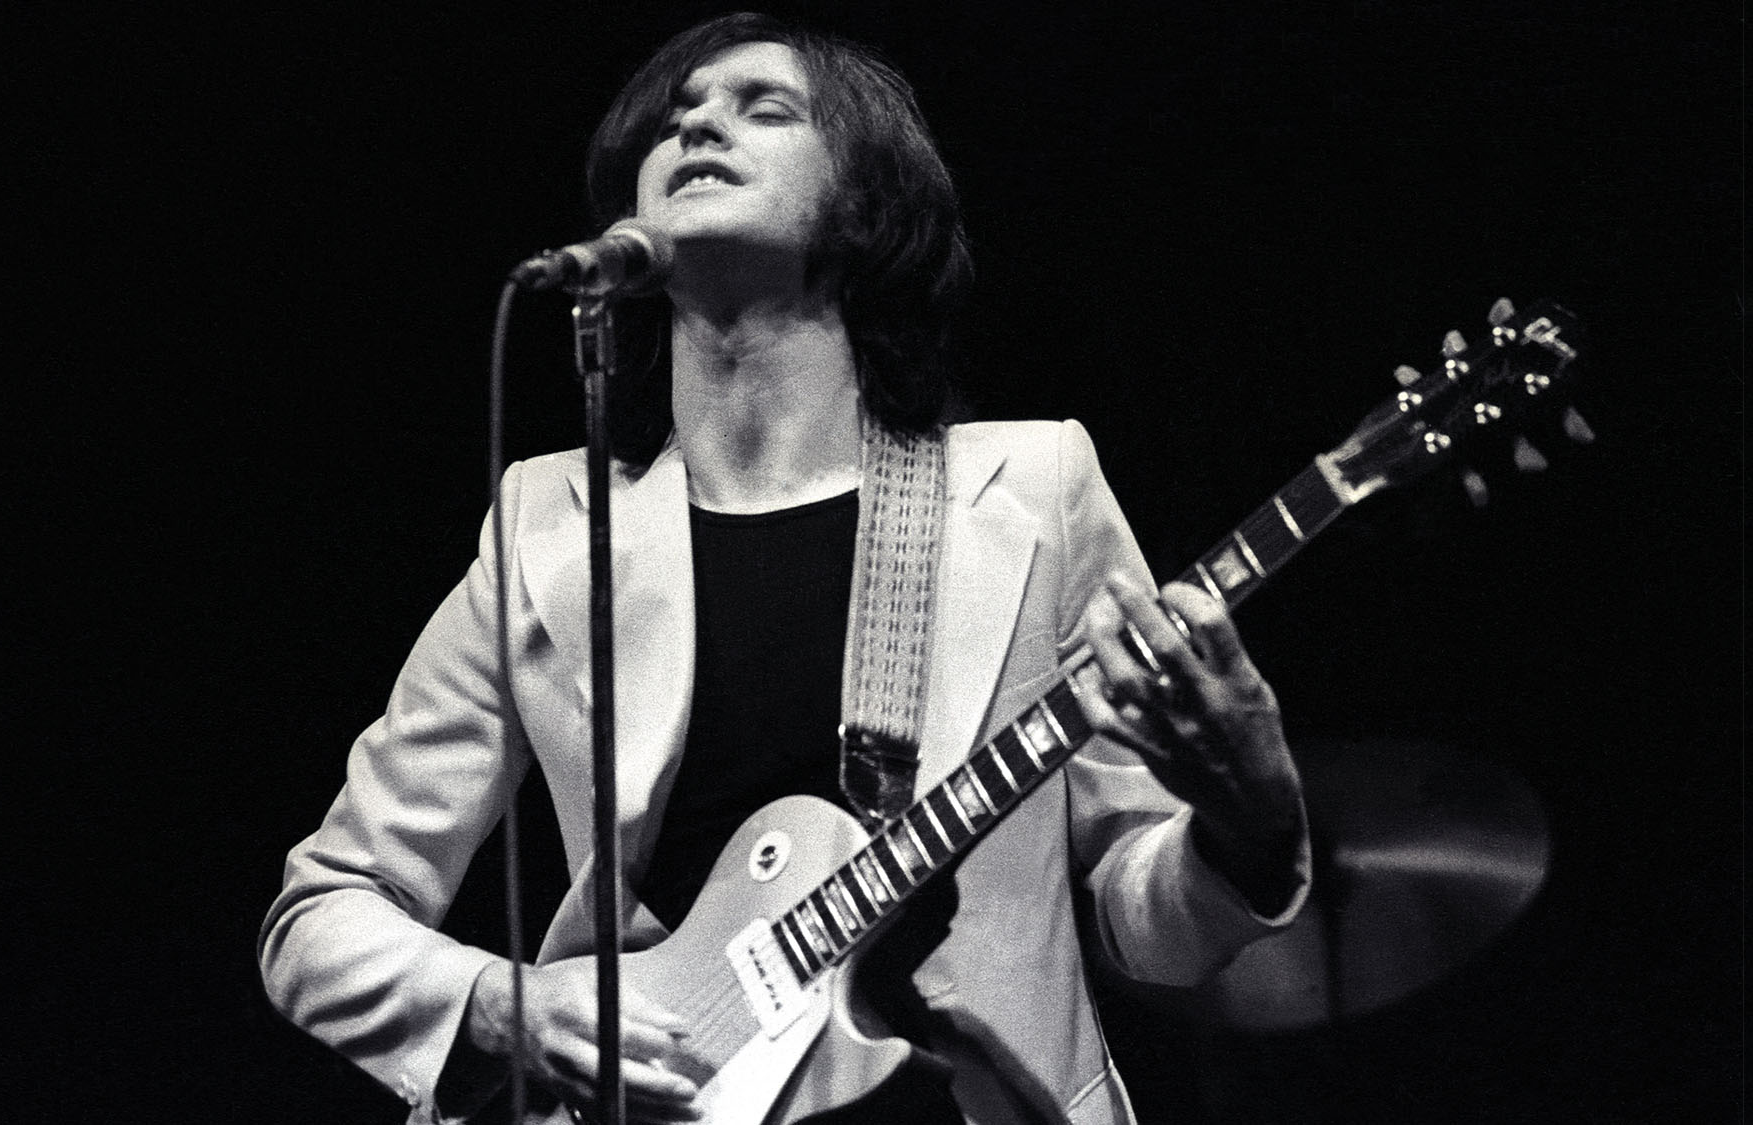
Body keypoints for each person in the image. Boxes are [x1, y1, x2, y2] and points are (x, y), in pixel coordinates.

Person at [260, 12, 1310, 1124]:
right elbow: (322, 913)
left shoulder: (1032, 488)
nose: (700, 122)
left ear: (865, 206)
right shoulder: (546, 527)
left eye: (764, 107)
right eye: (675, 118)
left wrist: (1253, 821)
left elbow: (1137, 917)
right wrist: (499, 1002)